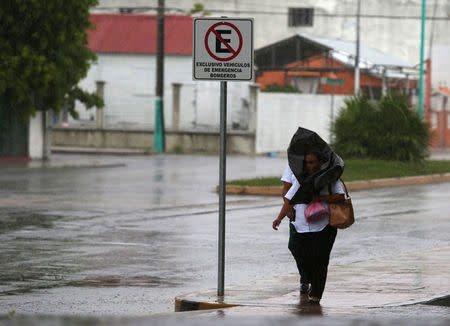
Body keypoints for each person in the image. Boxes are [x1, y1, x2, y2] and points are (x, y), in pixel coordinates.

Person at [273, 152, 345, 305]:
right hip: (301, 225)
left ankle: (316, 296)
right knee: (296, 248)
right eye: (307, 163)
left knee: (321, 260)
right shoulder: (300, 178)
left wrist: (320, 199)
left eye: (312, 162)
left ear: (320, 162)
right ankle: (308, 278)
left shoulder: (330, 176)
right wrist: (279, 218)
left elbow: (340, 196)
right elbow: (289, 199)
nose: (310, 166)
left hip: (324, 226)